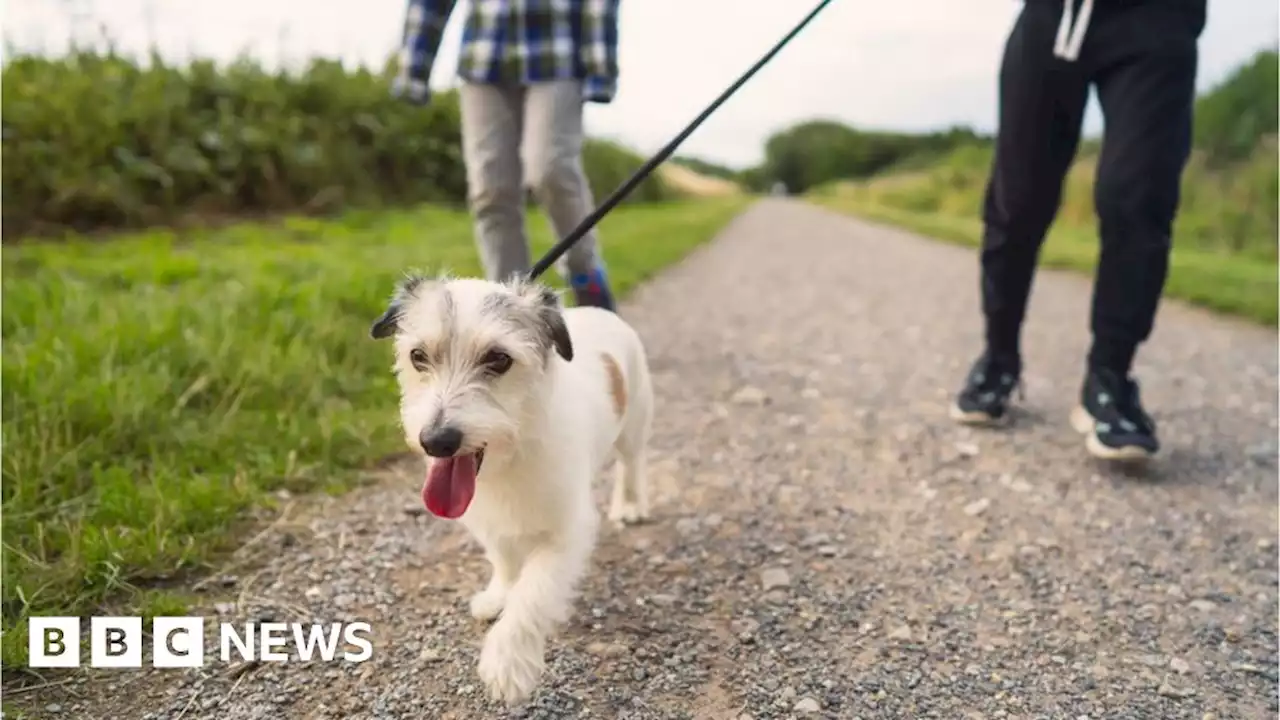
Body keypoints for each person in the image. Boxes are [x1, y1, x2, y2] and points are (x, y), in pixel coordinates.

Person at [950, 0, 1206, 461]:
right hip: (1053, 17)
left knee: (1138, 192)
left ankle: (1110, 378)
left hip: (1159, 19)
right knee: (1019, 199)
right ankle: (998, 358)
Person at [392, 0, 621, 311]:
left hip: (558, 53)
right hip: (485, 56)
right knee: (491, 189)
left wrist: (599, 64)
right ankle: (510, 306)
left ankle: (585, 275)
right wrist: (413, 67)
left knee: (550, 169)